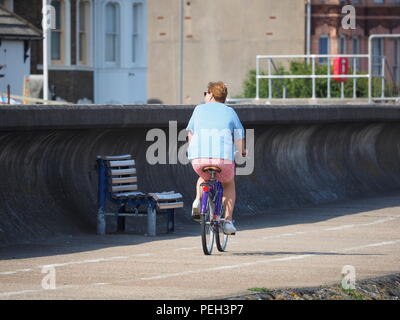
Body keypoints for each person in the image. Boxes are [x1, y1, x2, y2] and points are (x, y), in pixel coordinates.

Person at [186, 81, 246, 235]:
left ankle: (198, 201)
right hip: (223, 159)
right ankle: (227, 221)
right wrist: (242, 151)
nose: (205, 96)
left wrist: (193, 150)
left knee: (203, 177)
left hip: (199, 158)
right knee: (228, 183)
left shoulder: (198, 109)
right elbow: (239, 135)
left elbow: (190, 134)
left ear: (211, 94)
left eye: (205, 93)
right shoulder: (230, 111)